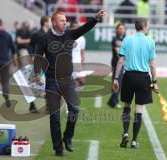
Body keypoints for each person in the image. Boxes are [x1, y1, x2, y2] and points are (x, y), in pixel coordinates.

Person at [34, 10, 105, 156]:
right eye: (61, 21)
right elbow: (37, 57)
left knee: (75, 110)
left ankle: (67, 137)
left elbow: (84, 28)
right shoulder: (44, 38)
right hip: (52, 81)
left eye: (65, 20)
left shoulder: (69, 35)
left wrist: (96, 18)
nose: (65, 23)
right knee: (54, 117)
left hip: (67, 80)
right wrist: (37, 74)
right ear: (54, 22)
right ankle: (58, 148)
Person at [112, 17, 158, 149]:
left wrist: (115, 79)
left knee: (127, 105)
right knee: (139, 108)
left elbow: (120, 61)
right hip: (143, 78)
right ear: (143, 26)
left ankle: (125, 133)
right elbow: (152, 64)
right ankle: (133, 141)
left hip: (128, 76)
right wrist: (154, 81)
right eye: (148, 25)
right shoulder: (150, 41)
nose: (148, 27)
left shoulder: (127, 39)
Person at [29, 16, 51, 113]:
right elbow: (30, 45)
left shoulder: (50, 34)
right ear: (45, 22)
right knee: (34, 84)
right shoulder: (36, 34)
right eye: (50, 21)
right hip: (38, 62)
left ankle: (48, 106)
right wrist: (32, 56)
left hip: (47, 62)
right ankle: (32, 106)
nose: (51, 23)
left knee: (48, 84)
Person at [107, 23, 126, 109]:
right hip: (116, 63)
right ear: (117, 30)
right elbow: (119, 53)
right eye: (120, 28)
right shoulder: (115, 39)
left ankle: (112, 101)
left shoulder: (126, 39)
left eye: (123, 29)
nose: (121, 30)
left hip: (123, 63)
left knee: (120, 83)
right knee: (117, 82)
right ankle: (114, 102)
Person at [70, 21, 86, 88]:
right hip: (69, 63)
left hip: (77, 63)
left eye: (76, 27)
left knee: (82, 82)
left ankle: (72, 91)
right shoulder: (66, 37)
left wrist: (82, 63)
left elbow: (82, 53)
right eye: (73, 27)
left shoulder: (82, 39)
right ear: (70, 28)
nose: (75, 28)